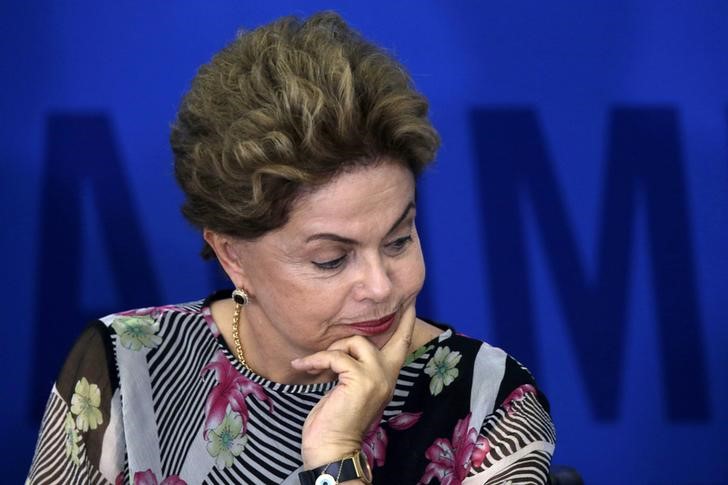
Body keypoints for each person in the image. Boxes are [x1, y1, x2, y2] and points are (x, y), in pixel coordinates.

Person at [27, 12, 555, 485]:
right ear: (233, 256)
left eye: (398, 240)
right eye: (331, 259)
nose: (381, 285)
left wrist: (336, 458)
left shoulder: (491, 402)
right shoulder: (125, 365)